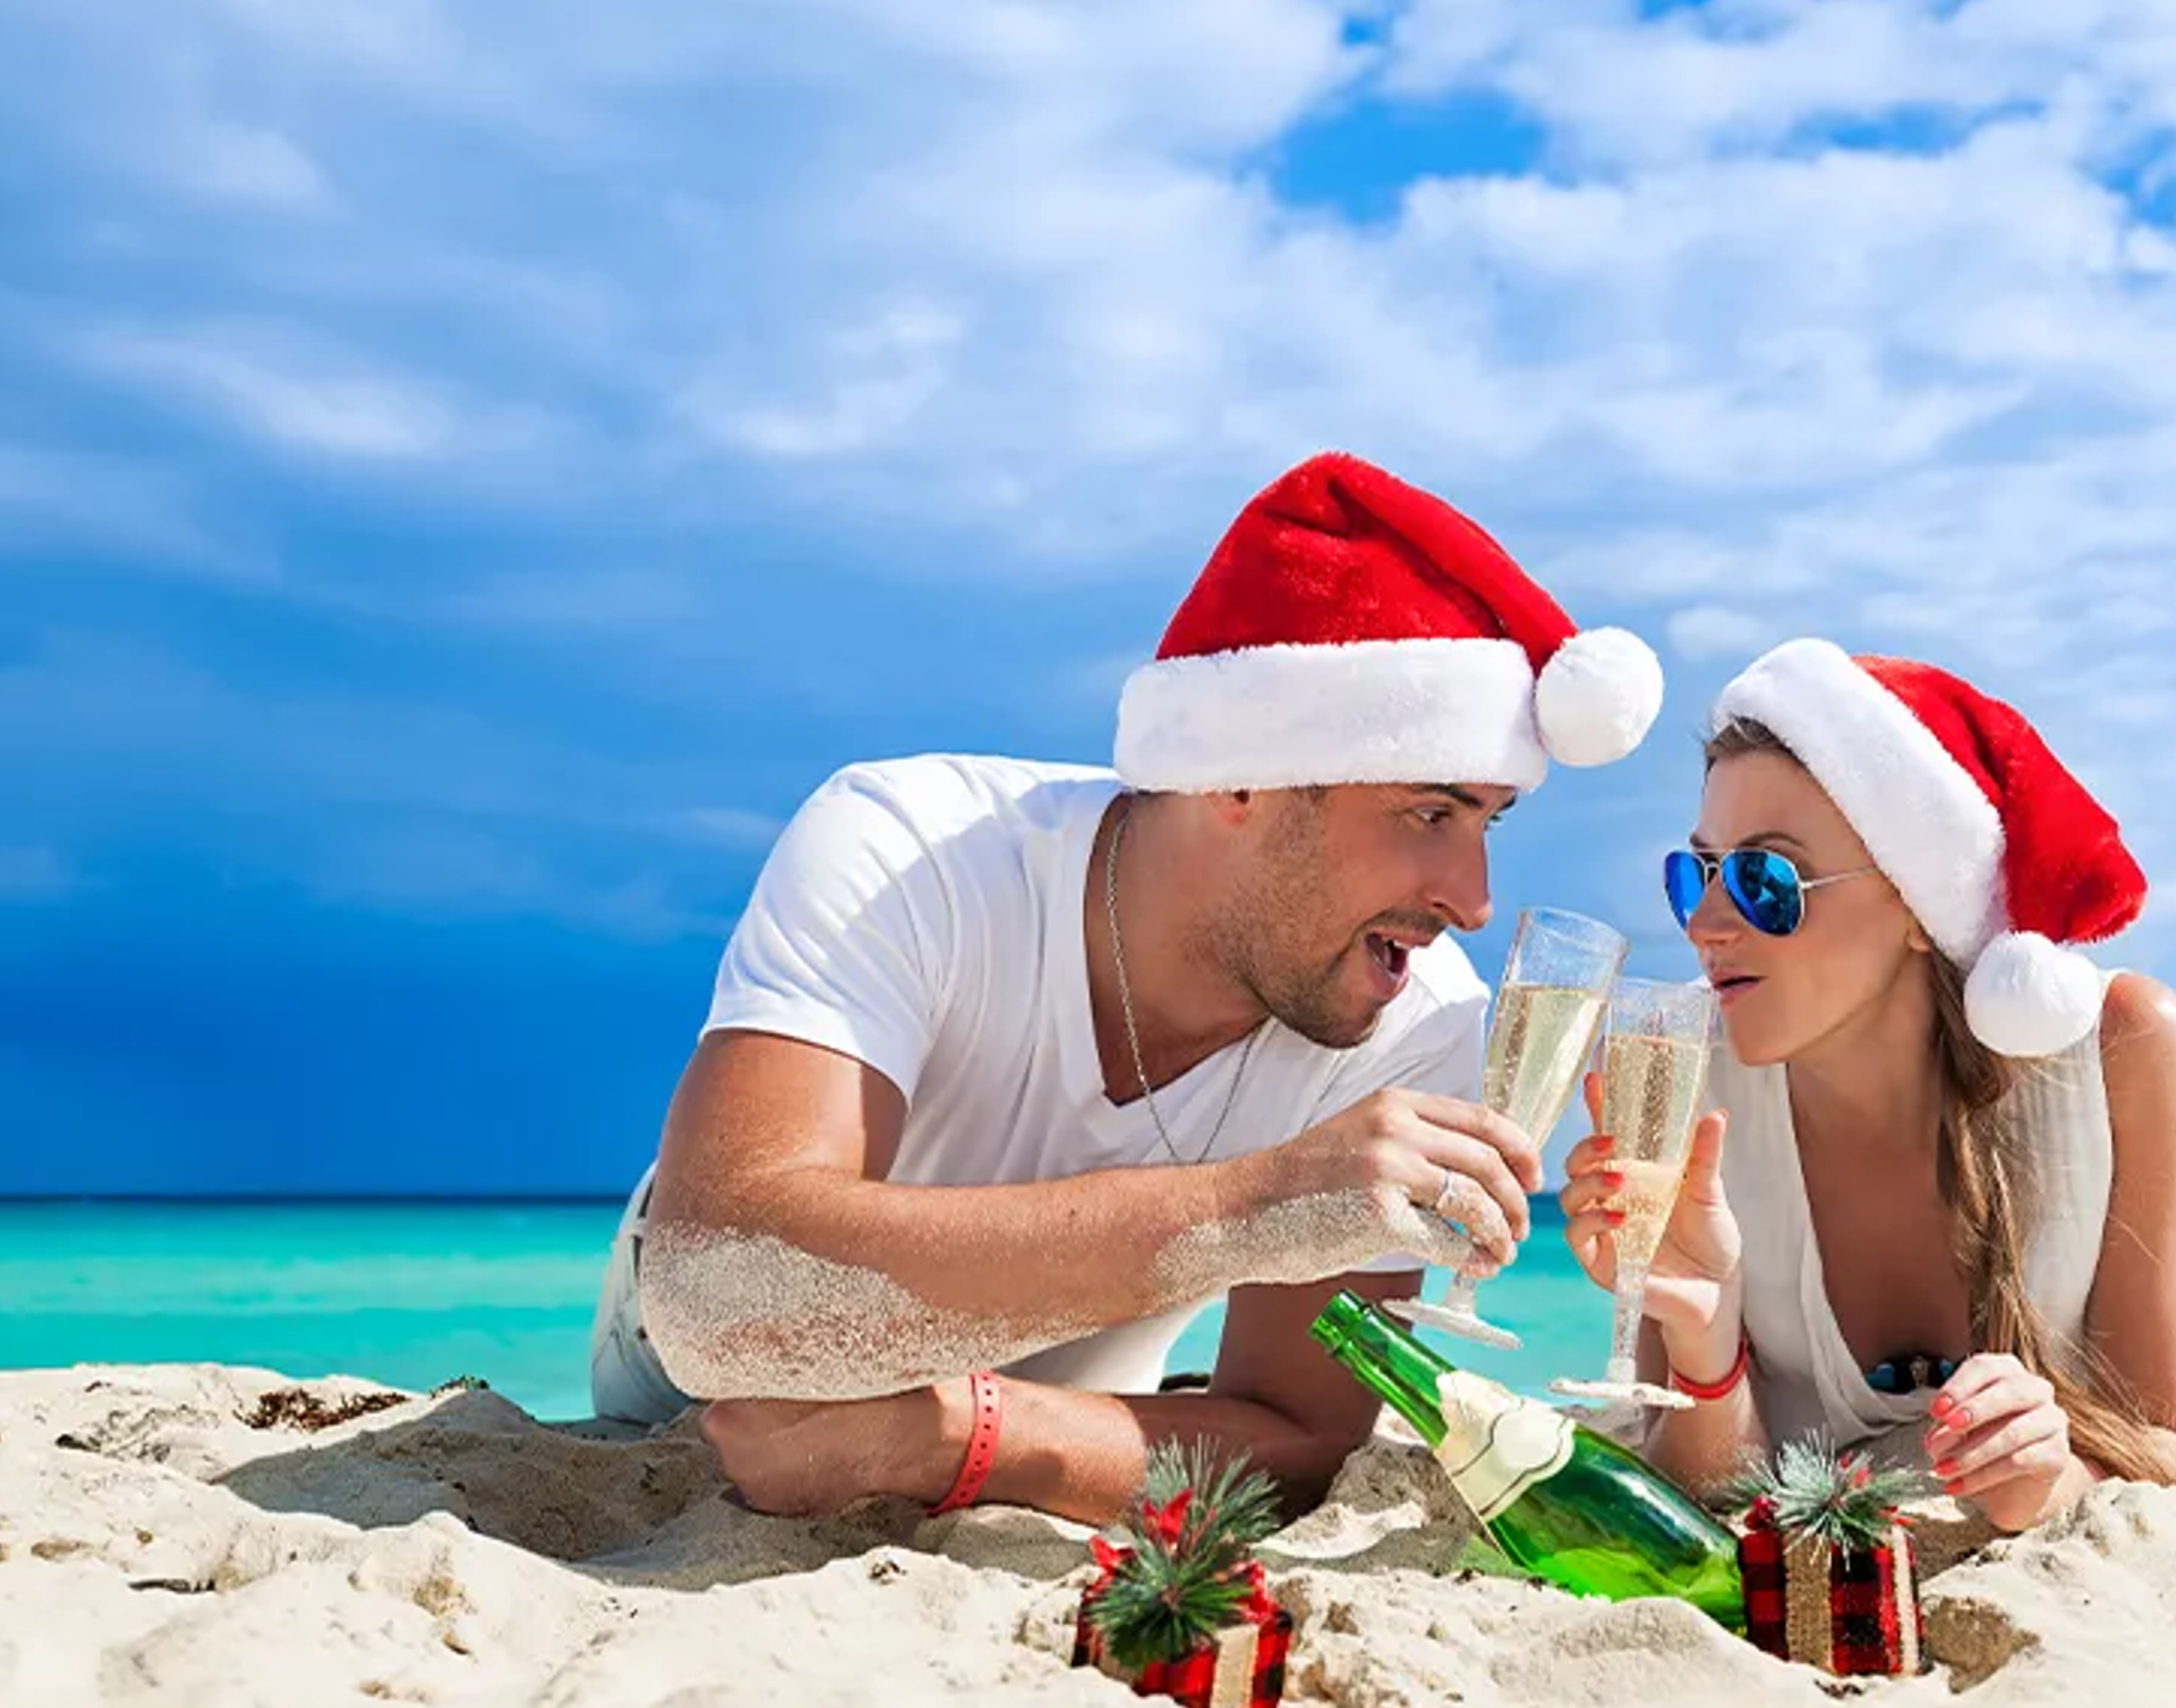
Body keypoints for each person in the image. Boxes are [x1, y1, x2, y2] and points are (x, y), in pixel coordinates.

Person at [589, 450, 1665, 1525]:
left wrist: (958, 1435)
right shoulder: (911, 849)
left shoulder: (1418, 1022)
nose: (1473, 901)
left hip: (1034, 1409)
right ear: (1242, 773)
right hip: (668, 1400)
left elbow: (1295, 1440)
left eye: (1487, 824)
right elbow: (715, 1294)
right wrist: (1263, 1208)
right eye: (1430, 815)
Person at [1559, 638, 2176, 1533]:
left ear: (1918, 900)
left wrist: (2051, 1484)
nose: (1707, 923)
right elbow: (1703, 1491)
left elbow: (2169, 1448)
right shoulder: (1677, 1071)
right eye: (1696, 873)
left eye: (1764, 879)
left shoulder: (2118, 1050)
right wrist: (1704, 1348)